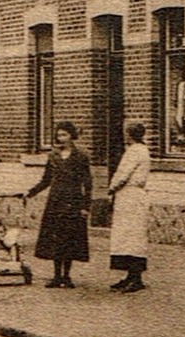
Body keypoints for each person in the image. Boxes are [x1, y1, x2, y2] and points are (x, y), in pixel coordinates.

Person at [23, 121, 93, 288]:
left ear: (71, 136)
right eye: (59, 135)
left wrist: (85, 206)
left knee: (69, 238)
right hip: (55, 201)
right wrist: (31, 192)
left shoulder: (81, 156)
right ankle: (56, 276)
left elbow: (88, 182)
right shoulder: (53, 156)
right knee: (56, 238)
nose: (61, 138)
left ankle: (67, 276)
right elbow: (46, 180)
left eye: (64, 135)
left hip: (73, 200)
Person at [107, 121, 152, 293]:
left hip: (130, 196)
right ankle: (130, 275)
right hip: (130, 196)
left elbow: (122, 175)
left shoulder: (135, 151)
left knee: (131, 237)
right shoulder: (140, 150)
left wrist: (111, 189)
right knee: (126, 236)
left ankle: (136, 277)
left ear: (130, 134)